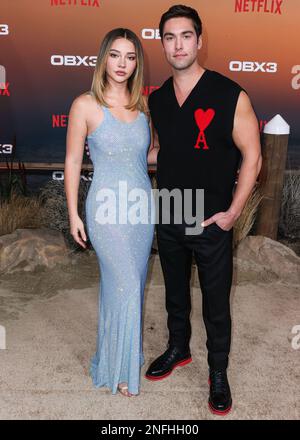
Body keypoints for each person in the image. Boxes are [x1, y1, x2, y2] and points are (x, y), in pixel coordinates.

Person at [145, 5, 262, 415]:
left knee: (216, 303)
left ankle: (217, 371)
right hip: (171, 211)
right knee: (174, 294)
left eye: (186, 36)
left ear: (199, 40)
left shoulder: (230, 94)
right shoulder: (157, 99)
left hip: (212, 218)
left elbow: (253, 157)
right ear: (162, 43)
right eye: (169, 37)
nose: (178, 45)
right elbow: (162, 151)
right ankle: (178, 348)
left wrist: (232, 212)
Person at [64, 28, 155, 397]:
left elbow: (144, 157)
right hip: (105, 209)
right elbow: (72, 162)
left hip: (140, 209)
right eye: (115, 55)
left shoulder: (142, 106)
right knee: (126, 285)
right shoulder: (84, 104)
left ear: (137, 63)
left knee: (125, 288)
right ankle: (120, 371)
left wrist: (196, 152)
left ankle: (115, 358)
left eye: (130, 57)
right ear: (103, 58)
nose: (122, 64)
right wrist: (73, 214)